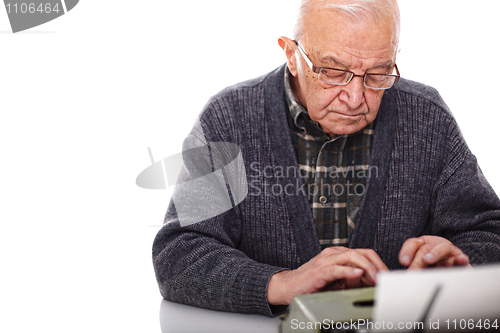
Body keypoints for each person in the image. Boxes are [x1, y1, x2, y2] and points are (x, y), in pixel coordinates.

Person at [152, 0, 500, 317]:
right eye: (333, 72)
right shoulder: (227, 117)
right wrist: (284, 284)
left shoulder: (428, 117)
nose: (354, 97)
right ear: (291, 55)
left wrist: (461, 268)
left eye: (378, 74)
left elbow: (490, 232)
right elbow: (178, 253)